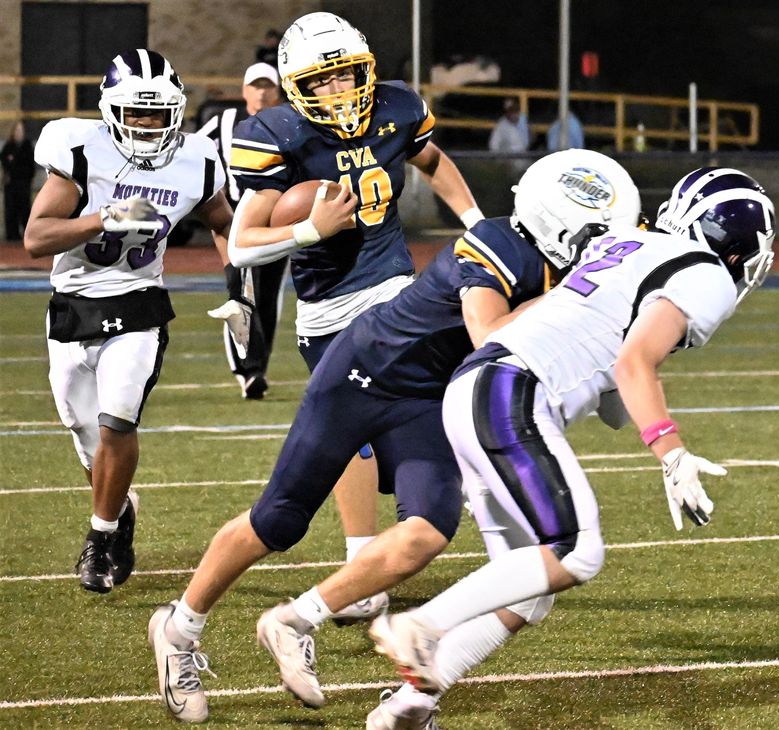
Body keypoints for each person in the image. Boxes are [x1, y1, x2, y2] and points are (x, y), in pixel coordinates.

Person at [145, 149, 642, 724]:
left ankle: (295, 619)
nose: (606, 249)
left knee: (426, 534)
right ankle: (179, 628)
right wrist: (574, 304)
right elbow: (490, 333)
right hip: (364, 372)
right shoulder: (499, 242)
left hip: (428, 399)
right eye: (598, 235)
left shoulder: (567, 268)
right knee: (279, 518)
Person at [369, 166, 776, 728]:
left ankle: (412, 703)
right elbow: (634, 364)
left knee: (529, 588)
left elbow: (611, 381)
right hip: (512, 394)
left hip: (476, 386)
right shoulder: (705, 273)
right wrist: (672, 453)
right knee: (576, 551)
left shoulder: (630, 244)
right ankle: (418, 626)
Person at [229, 12, 484, 616]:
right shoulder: (278, 135)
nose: (339, 91)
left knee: (452, 385)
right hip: (327, 309)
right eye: (323, 82)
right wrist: (307, 230)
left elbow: (433, 160)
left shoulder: (395, 108)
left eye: (346, 76)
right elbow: (241, 245)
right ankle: (363, 557)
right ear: (297, 87)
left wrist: (473, 221)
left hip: (393, 286)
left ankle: (434, 506)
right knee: (356, 442)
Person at [23, 49, 234, 595]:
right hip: (73, 302)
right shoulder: (79, 150)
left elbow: (226, 224)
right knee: (83, 428)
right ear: (111, 111)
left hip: (140, 301)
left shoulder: (198, 159)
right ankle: (118, 508)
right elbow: (36, 238)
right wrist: (107, 217)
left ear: (177, 112)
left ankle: (100, 536)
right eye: (136, 113)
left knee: (119, 417)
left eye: (158, 113)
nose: (146, 124)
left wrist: (244, 282)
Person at [199, 62, 287, 399]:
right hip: (235, 219)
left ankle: (258, 368)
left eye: (268, 85)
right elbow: (197, 150)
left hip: (277, 221)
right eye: (256, 85)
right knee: (241, 292)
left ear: (277, 91)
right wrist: (213, 198)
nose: (262, 92)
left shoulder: (289, 124)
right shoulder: (223, 122)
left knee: (268, 297)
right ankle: (247, 371)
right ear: (245, 89)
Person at [1, 120, 35, 240]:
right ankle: (12, 235)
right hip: (11, 184)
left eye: (21, 130)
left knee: (25, 209)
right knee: (11, 210)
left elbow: (30, 165)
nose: (19, 133)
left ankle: (27, 235)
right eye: (17, 130)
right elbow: (5, 161)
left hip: (24, 183)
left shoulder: (27, 146)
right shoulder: (8, 146)